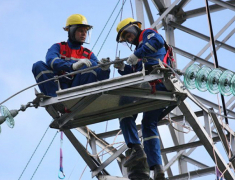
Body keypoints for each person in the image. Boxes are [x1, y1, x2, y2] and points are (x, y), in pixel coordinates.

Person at [114, 18, 171, 180]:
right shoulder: (141, 50)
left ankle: (136, 148)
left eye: (127, 34)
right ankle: (157, 168)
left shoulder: (147, 34)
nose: (127, 38)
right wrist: (122, 68)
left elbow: (158, 40)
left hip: (154, 82)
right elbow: (134, 74)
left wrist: (136, 54)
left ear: (134, 28)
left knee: (124, 109)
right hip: (155, 87)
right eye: (124, 38)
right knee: (148, 124)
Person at [32, 14, 110, 97]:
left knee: (91, 64)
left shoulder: (88, 54)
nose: (84, 34)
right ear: (71, 31)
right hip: (57, 88)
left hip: (77, 91)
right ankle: (54, 99)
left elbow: (101, 78)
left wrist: (104, 69)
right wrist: (72, 66)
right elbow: (51, 61)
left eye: (85, 31)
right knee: (38, 65)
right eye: (81, 31)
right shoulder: (58, 47)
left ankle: (84, 97)